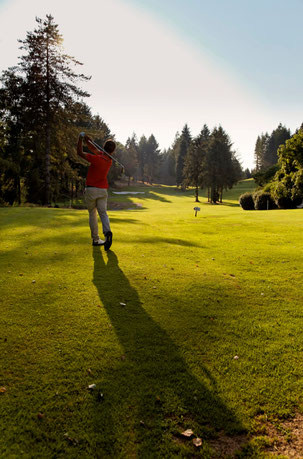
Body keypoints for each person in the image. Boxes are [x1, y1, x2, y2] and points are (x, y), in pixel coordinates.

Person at [77, 133, 116, 250]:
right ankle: (107, 232)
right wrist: (88, 141)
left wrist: (80, 140)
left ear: (103, 147)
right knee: (103, 213)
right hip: (103, 190)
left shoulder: (96, 158)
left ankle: (96, 239)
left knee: (92, 214)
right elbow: (94, 149)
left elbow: (79, 153)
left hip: (91, 189)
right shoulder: (109, 160)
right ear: (112, 152)